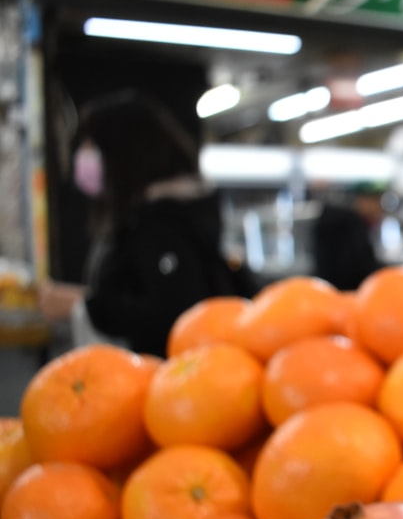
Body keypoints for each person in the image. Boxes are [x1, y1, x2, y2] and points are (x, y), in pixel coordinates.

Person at [38, 89, 258, 357]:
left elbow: (172, 312)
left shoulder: (161, 224)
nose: (83, 155)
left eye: (90, 144)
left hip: (169, 382)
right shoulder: (154, 217)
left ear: (123, 151)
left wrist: (85, 305)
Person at [312, 181, 386, 291]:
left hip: (329, 292)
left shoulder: (338, 220)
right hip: (348, 293)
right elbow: (358, 268)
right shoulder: (350, 224)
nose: (380, 208)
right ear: (362, 200)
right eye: (376, 201)